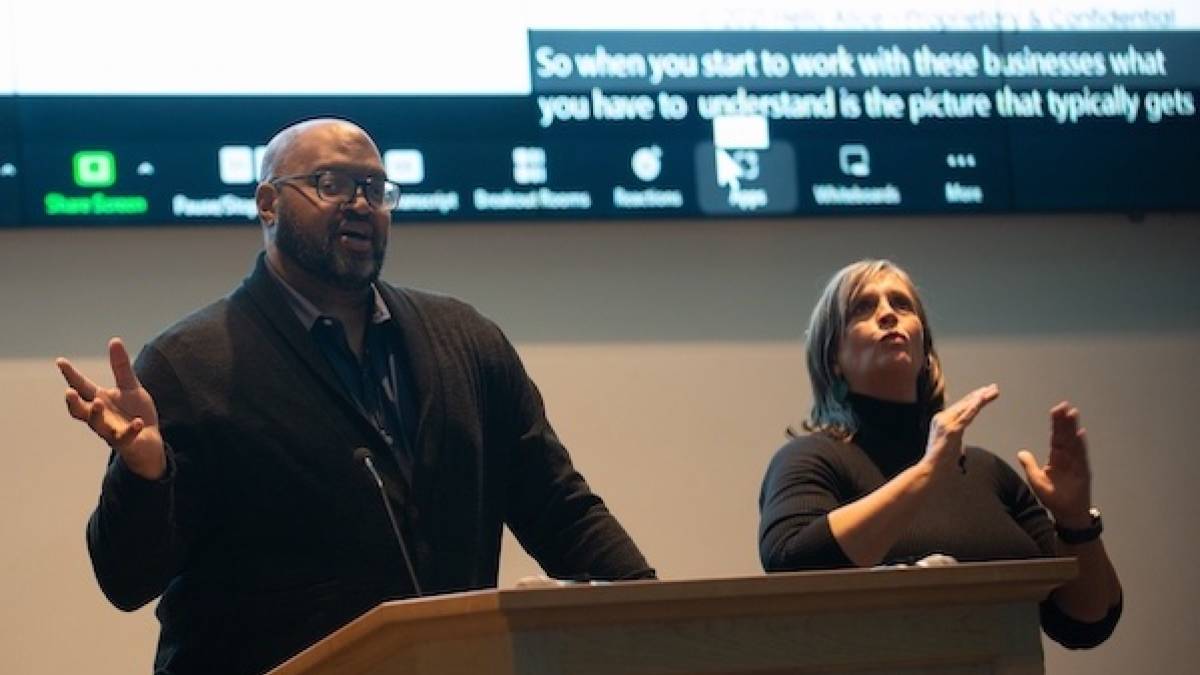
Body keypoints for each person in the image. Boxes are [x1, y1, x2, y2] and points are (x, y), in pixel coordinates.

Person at [56, 118, 654, 674]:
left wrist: (657, 614)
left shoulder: (467, 341)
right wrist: (144, 474)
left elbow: (560, 510)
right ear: (267, 204)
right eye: (331, 183)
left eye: (374, 186)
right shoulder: (192, 363)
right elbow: (126, 579)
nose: (361, 203)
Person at [758, 259, 1122, 648]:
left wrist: (1075, 523)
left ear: (925, 352)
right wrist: (928, 472)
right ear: (834, 358)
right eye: (862, 308)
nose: (886, 314)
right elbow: (791, 562)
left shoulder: (988, 472)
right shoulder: (812, 458)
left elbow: (1084, 623)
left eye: (902, 305)